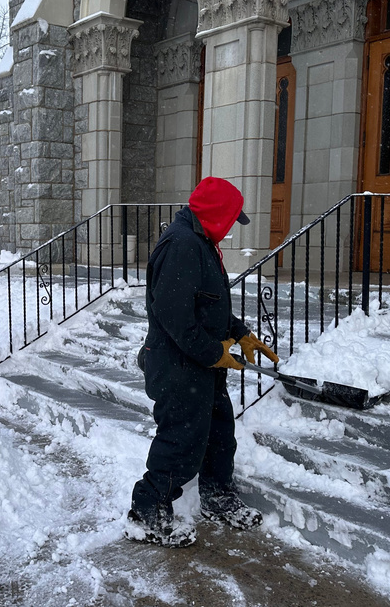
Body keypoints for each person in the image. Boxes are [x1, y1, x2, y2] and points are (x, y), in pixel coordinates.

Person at [125, 176, 279, 547]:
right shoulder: (182, 246)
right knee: (181, 439)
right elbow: (175, 316)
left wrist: (240, 333)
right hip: (179, 366)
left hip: (200, 366)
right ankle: (146, 510)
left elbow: (205, 305)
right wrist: (216, 353)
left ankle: (216, 495)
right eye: (230, 220)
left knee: (219, 432)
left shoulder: (201, 242)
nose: (230, 230)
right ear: (215, 215)